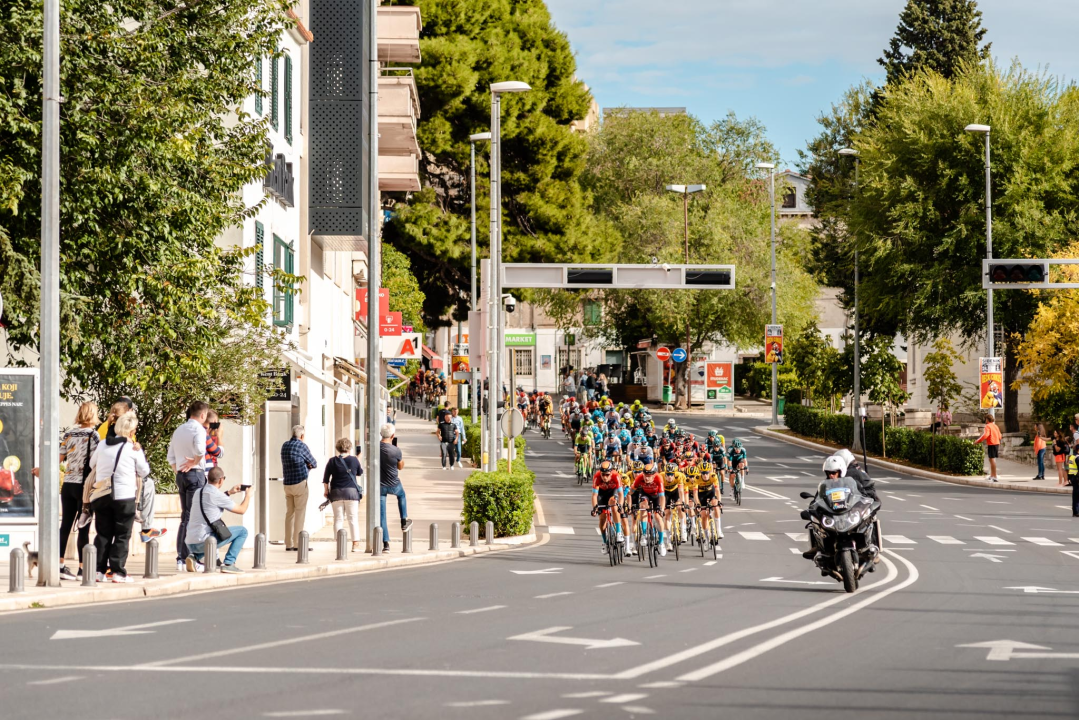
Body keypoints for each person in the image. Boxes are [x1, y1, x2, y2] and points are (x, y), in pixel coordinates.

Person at [88, 411, 150, 583]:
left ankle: (98, 571)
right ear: (131, 432)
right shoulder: (133, 448)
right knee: (122, 534)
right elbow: (144, 471)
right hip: (124, 496)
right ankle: (117, 572)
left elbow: (92, 464)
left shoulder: (102, 445)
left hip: (102, 494)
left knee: (103, 533)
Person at [58, 401, 99, 580]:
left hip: (67, 484)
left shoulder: (69, 434)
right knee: (83, 527)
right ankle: (83, 568)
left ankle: (60, 565)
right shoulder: (94, 436)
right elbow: (97, 461)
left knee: (65, 526)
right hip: (84, 486)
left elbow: (58, 458)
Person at [167, 401, 210, 572]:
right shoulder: (198, 429)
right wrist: (195, 462)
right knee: (194, 518)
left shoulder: (179, 430)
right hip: (195, 475)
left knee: (185, 517)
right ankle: (190, 558)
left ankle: (181, 558)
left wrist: (179, 470)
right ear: (202, 415)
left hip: (181, 476)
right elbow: (200, 451)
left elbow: (170, 457)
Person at [185, 466, 253, 573]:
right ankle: (229, 563)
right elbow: (241, 510)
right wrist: (248, 495)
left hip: (190, 542)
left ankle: (194, 557)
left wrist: (229, 492)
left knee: (209, 540)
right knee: (242, 531)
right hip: (204, 541)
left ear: (208, 478)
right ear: (221, 480)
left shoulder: (198, 492)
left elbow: (212, 501)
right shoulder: (217, 495)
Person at [280, 425, 318, 551]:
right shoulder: (302, 446)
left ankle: (288, 543)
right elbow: (314, 463)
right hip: (299, 482)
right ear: (302, 436)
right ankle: (298, 543)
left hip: (287, 483)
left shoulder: (285, 445)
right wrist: (307, 466)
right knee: (300, 513)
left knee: (289, 513)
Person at [322, 438, 363, 552]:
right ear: (349, 448)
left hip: (336, 492)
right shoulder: (354, 460)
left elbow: (326, 479)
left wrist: (326, 490)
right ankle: (355, 545)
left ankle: (340, 544)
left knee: (338, 519)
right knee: (353, 519)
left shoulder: (332, 461)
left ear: (338, 448)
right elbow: (359, 473)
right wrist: (357, 460)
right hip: (351, 493)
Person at [379, 423, 413, 552]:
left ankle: (386, 544)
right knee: (401, 495)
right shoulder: (396, 450)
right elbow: (400, 466)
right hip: (394, 483)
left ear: (381, 434)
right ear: (393, 436)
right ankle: (404, 520)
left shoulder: (375, 447)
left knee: (382, 515)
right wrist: (399, 455)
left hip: (380, 486)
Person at [590, 460, 624, 554]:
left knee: (614, 505)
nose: (605, 477)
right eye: (603, 474)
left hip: (613, 492)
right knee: (602, 519)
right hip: (602, 494)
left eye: (607, 475)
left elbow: (621, 494)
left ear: (611, 473)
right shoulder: (597, 477)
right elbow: (594, 496)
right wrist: (594, 508)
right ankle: (605, 542)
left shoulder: (616, 476)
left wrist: (620, 506)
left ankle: (618, 533)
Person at [974, 414, 1002, 483]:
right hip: (996, 443)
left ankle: (995, 476)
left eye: (986, 419)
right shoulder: (995, 426)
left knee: (992, 460)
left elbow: (985, 435)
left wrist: (977, 441)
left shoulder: (988, 426)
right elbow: (1000, 435)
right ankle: (992, 475)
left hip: (991, 443)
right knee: (991, 459)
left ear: (987, 419)